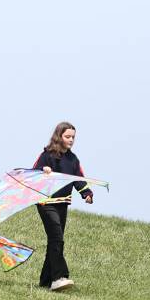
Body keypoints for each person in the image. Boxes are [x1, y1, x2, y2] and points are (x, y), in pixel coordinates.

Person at [30, 122, 94, 291]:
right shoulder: (46, 155)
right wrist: (43, 171)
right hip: (46, 203)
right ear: (59, 136)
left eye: (73, 137)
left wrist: (86, 193)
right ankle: (59, 277)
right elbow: (33, 174)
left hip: (62, 203)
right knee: (57, 238)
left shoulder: (73, 159)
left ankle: (45, 281)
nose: (71, 140)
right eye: (67, 136)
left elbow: (78, 178)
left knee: (54, 241)